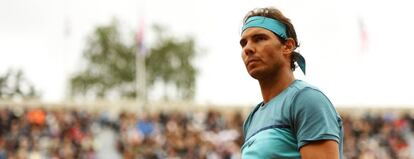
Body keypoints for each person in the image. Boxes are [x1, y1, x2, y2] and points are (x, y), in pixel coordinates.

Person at [239, 7, 343, 159]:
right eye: (243, 43)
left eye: (260, 38)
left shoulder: (306, 99)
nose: (248, 48)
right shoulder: (252, 118)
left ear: (287, 46)